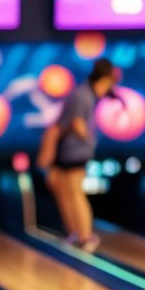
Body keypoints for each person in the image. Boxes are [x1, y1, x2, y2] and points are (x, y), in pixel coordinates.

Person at [37, 57, 119, 253]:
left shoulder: (83, 93)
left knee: (70, 192)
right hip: (74, 150)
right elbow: (77, 124)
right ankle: (83, 236)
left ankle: (79, 234)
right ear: (106, 79)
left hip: (70, 150)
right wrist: (90, 140)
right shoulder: (84, 95)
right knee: (71, 192)